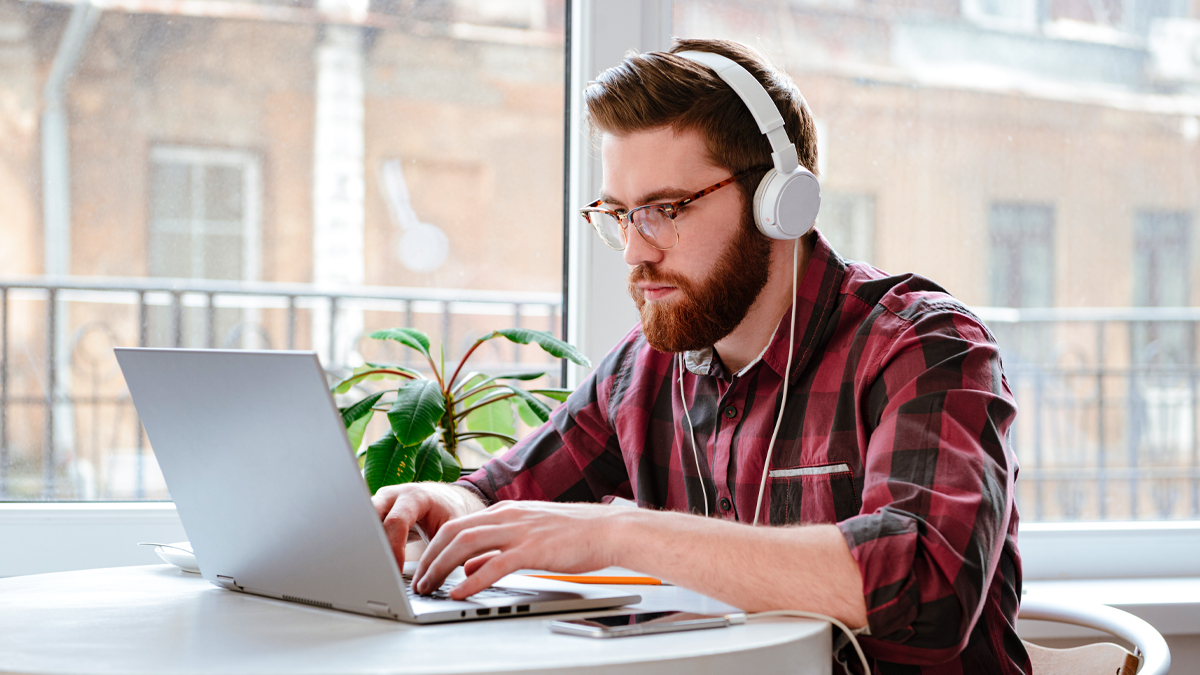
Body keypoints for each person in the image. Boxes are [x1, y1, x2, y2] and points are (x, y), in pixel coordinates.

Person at [373, 38, 1026, 675]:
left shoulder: (921, 346)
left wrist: (624, 533)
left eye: (664, 209)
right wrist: (444, 506)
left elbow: (928, 590)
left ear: (779, 202)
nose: (635, 250)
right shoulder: (641, 371)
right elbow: (506, 500)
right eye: (619, 213)